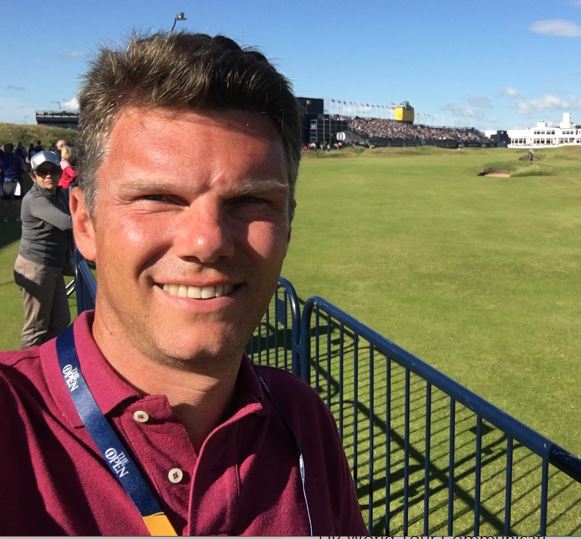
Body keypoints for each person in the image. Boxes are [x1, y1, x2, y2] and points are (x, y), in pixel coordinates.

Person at [0, 32, 366, 536]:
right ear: (84, 223)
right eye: (158, 197)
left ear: (288, 225)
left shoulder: (303, 419)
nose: (207, 242)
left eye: (251, 201)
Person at [12, 150, 72, 348]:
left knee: (61, 322)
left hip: (52, 267)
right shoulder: (36, 199)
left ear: (59, 172)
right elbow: (67, 223)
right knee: (36, 329)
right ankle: (29, 366)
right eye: (42, 172)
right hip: (36, 268)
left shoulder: (58, 194)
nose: (48, 176)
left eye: (52, 171)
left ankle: (49, 361)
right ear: (33, 176)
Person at [0, 142, 25, 221]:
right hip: (16, 181)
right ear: (12, 149)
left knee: (5, 200)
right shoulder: (18, 158)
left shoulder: (1, 158)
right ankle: (18, 216)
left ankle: (5, 217)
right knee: (18, 199)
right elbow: (24, 169)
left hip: (5, 181)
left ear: (5, 149)